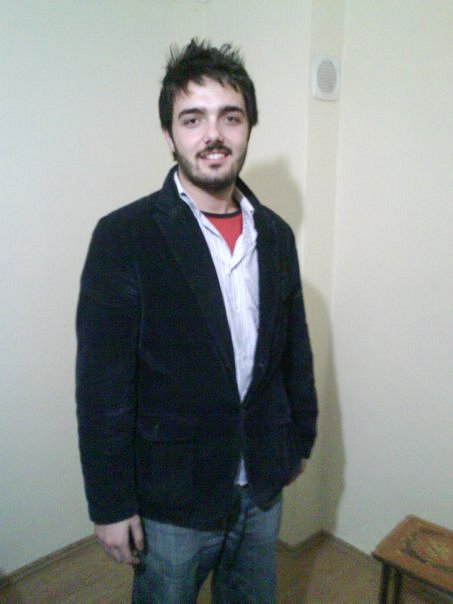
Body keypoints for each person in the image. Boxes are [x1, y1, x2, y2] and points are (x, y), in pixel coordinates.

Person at [76, 39, 317, 604]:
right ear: (169, 134)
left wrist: (299, 440)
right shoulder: (124, 237)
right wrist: (110, 504)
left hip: (261, 486)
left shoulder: (276, 235)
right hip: (173, 501)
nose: (214, 135)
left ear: (249, 127)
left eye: (230, 117)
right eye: (193, 119)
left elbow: (294, 351)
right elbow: (102, 387)